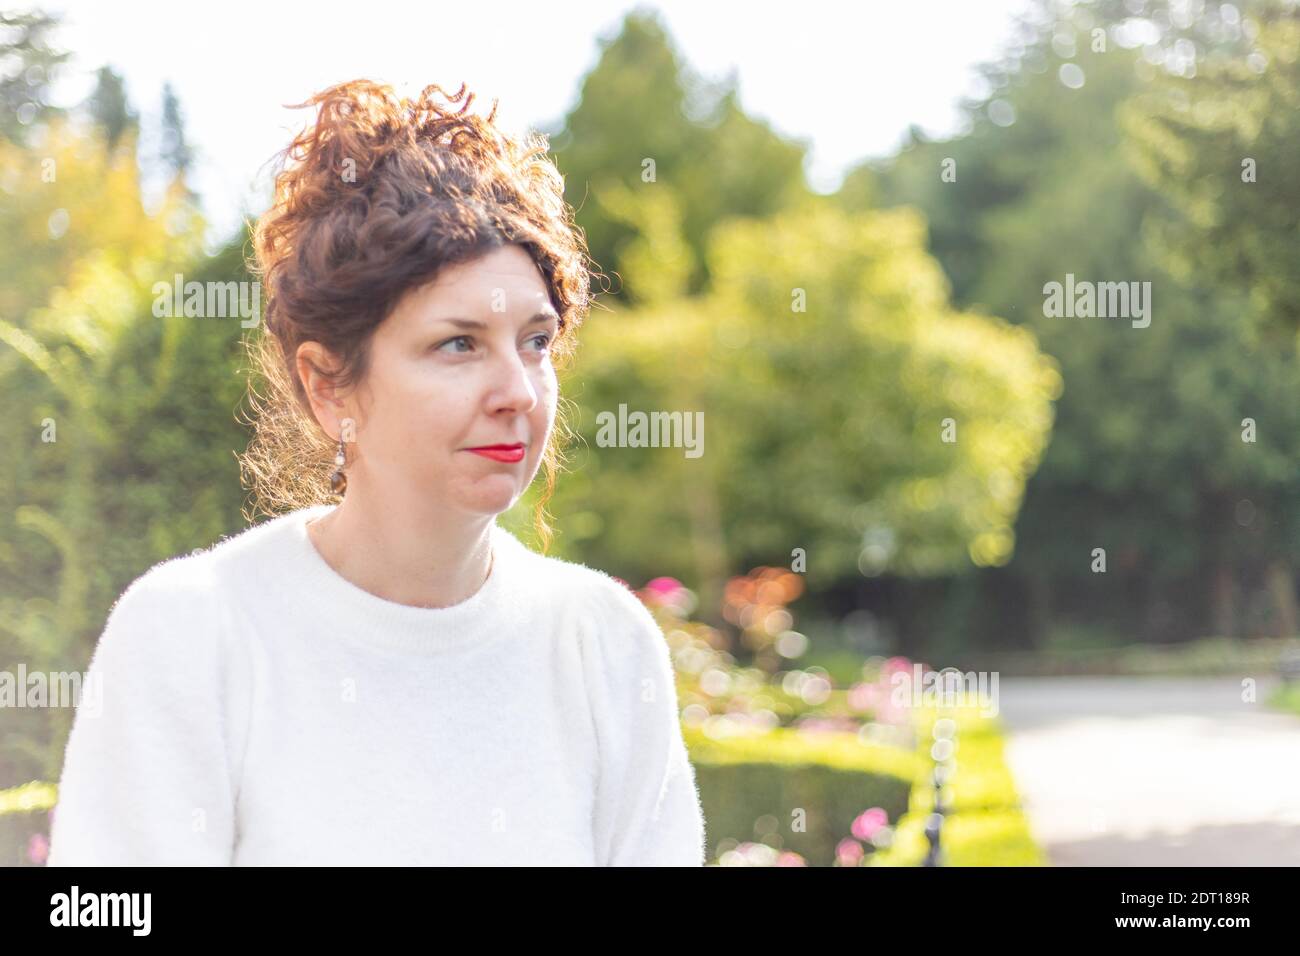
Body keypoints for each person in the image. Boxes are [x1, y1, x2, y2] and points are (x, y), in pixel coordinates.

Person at [46, 79, 706, 866]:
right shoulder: (193, 632)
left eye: (535, 340)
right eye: (458, 344)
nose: (519, 392)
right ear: (330, 387)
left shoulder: (604, 644)